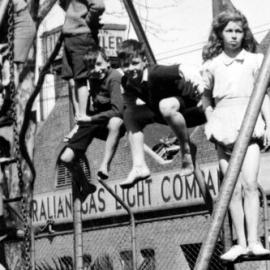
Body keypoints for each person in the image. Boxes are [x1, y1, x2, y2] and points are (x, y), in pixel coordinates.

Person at [201, 10, 270, 261]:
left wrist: (269, 123)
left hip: (248, 119)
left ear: (244, 33)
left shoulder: (254, 60)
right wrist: (212, 122)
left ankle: (254, 241)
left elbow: (261, 94)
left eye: (238, 31)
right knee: (232, 188)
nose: (234, 36)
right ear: (220, 33)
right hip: (223, 124)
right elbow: (206, 98)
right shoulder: (212, 65)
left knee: (251, 183)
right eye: (229, 31)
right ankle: (240, 242)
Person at [117, 39, 206, 188]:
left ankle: (187, 150)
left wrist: (204, 94)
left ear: (144, 61)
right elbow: (130, 103)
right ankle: (139, 167)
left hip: (192, 107)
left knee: (164, 105)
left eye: (134, 63)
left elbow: (186, 69)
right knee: (129, 114)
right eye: (125, 65)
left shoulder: (155, 73)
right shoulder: (127, 82)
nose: (130, 68)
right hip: (166, 113)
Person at [59, 46, 124, 198]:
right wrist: (77, 127)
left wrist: (89, 119)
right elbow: (84, 104)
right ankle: (86, 185)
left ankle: (105, 165)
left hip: (113, 120)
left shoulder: (114, 77)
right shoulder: (91, 80)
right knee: (66, 158)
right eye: (91, 67)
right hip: (95, 119)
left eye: (99, 64)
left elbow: (117, 111)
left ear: (108, 62)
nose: (96, 69)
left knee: (115, 121)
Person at [61, 0, 105, 137]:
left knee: (81, 79)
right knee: (72, 78)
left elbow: (98, 5)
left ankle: (83, 120)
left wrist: (86, 22)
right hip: (69, 36)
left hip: (82, 35)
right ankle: (79, 119)